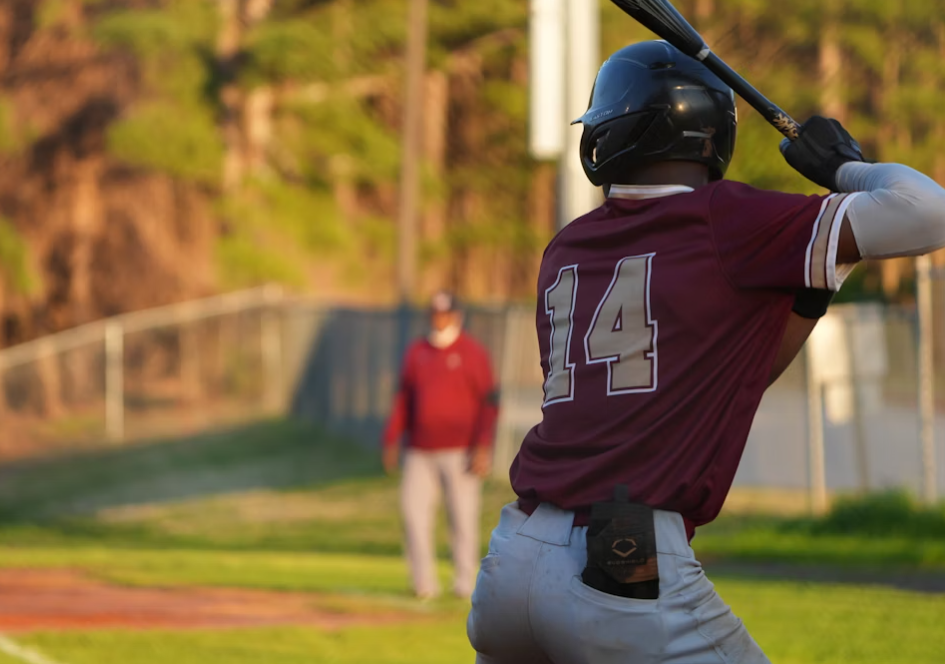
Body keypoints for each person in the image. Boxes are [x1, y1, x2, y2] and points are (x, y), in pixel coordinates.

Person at [466, 40, 945, 663]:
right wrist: (845, 172)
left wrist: (810, 295)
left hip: (515, 552)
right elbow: (928, 212)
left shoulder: (569, 246)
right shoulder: (725, 218)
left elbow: (735, 377)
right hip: (624, 548)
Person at [382, 290, 500, 600]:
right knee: (413, 514)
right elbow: (403, 399)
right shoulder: (417, 352)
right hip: (419, 450)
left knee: (462, 517)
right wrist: (392, 437)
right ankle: (424, 584)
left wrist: (484, 445)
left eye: (445, 314)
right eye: (435, 314)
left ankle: (465, 583)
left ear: (456, 316)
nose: (439, 320)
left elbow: (489, 402)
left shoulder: (472, 352)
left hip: (460, 450)